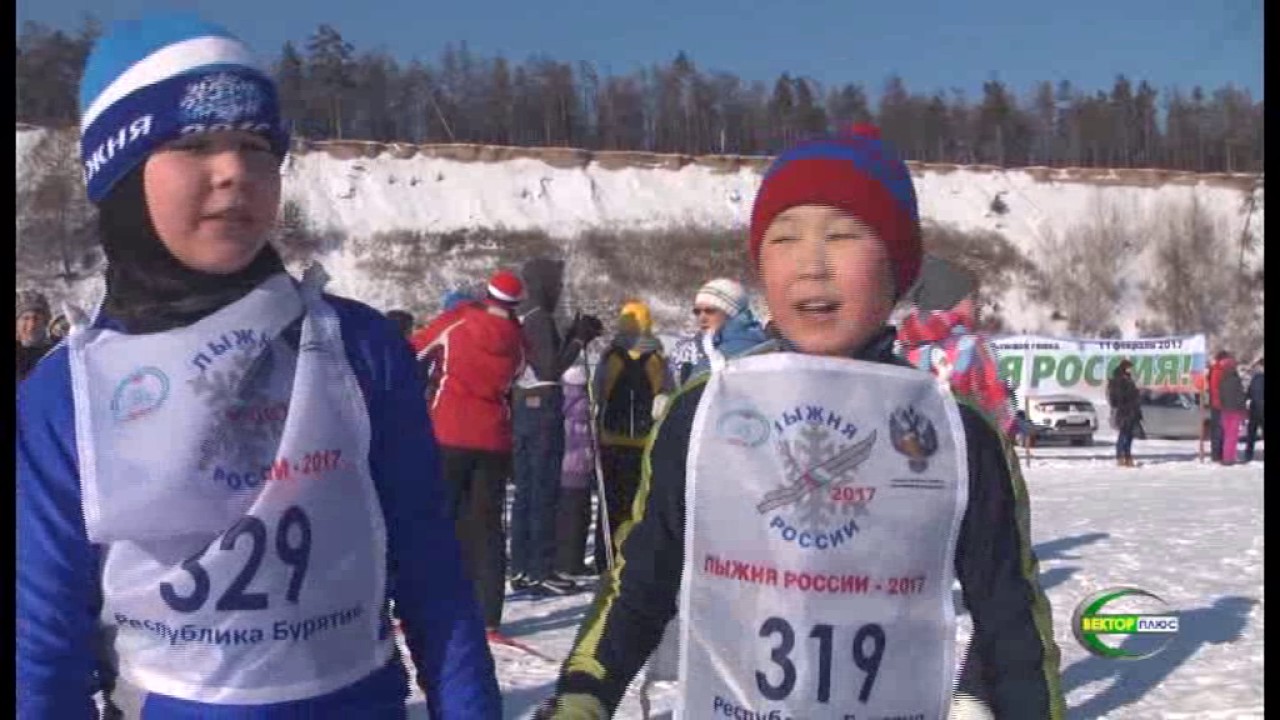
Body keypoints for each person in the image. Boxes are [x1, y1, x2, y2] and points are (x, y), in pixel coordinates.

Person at [16, 14, 500, 718]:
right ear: (118, 171)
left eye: (255, 145)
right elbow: (42, 650)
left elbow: (433, 579)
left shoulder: (357, 350)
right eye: (194, 145)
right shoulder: (71, 392)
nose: (234, 172)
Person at [538, 125, 1064, 719]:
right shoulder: (703, 413)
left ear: (898, 266)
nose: (811, 265)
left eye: (843, 235)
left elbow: (1010, 619)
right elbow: (640, 581)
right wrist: (584, 693)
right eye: (783, 238)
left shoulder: (955, 433)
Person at [410, 270, 527, 635]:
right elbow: (520, 374)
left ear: (486, 293)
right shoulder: (518, 337)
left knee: (435, 519)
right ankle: (489, 615)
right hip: (493, 437)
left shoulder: (459, 320)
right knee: (487, 528)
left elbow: (414, 348)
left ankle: (424, 606)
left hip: (449, 429)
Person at [510, 257, 603, 597]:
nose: (561, 290)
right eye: (558, 284)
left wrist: (572, 337)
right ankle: (542, 568)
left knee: (525, 493)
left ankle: (521, 566)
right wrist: (578, 341)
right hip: (543, 408)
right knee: (544, 491)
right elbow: (551, 368)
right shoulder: (540, 318)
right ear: (545, 284)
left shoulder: (521, 315)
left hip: (522, 405)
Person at [592, 300, 674, 573]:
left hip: (610, 438)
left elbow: (598, 392)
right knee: (636, 504)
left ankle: (606, 556)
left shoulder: (610, 357)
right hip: (643, 441)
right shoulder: (657, 359)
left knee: (610, 503)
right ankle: (629, 556)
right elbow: (667, 392)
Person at [668, 278, 769, 386]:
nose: (702, 318)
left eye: (710, 311)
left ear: (731, 313)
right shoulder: (712, 344)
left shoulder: (737, 350)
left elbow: (698, 397)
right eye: (697, 311)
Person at [555, 364, 596, 577]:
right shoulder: (583, 403)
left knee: (565, 515)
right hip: (579, 465)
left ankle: (563, 559)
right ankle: (571, 561)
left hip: (561, 464)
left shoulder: (558, 396)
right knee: (578, 516)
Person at [1107, 359, 1143, 467]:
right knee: (1123, 434)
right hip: (1124, 411)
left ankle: (1127, 456)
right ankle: (1120, 457)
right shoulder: (1119, 380)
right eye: (1129, 368)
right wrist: (1132, 394)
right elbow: (1117, 397)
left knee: (1129, 435)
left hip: (1131, 410)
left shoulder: (1128, 379)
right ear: (1124, 368)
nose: (1130, 370)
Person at [16, 290, 55, 382]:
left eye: (37, 318)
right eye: (26, 318)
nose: (32, 324)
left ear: (45, 322)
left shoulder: (55, 352)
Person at [1217, 352, 1247, 465]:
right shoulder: (1236, 380)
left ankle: (1226, 456)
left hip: (1224, 411)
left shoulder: (1222, 380)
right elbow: (1240, 396)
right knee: (1233, 436)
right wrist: (1243, 410)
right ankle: (1230, 458)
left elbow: (1221, 396)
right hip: (1235, 411)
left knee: (1227, 435)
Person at [1207, 351, 1227, 461]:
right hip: (1219, 403)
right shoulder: (1218, 370)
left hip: (1217, 402)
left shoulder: (1216, 369)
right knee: (1219, 430)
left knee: (1219, 429)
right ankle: (1217, 454)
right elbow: (1216, 388)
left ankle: (1218, 453)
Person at [1245, 358, 1264, 462]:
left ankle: (1248, 455)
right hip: (1259, 408)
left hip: (1254, 409)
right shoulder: (1256, 378)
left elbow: (1249, 393)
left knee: (1251, 433)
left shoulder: (1255, 378)